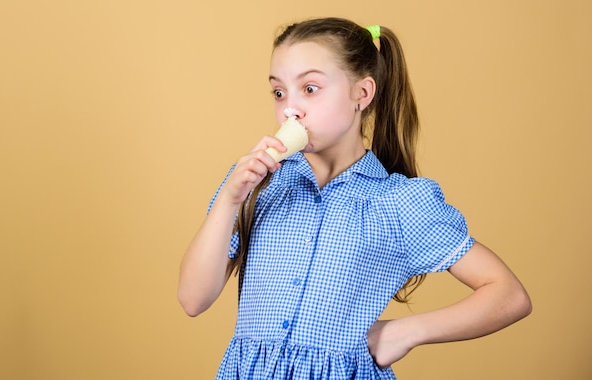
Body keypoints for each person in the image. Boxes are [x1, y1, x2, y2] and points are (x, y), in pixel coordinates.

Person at [178, 17, 532, 380]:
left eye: (310, 89)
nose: (290, 109)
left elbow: (508, 295)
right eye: (279, 92)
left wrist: (408, 332)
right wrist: (229, 199)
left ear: (361, 94)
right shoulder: (257, 186)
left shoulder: (399, 202)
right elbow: (193, 300)